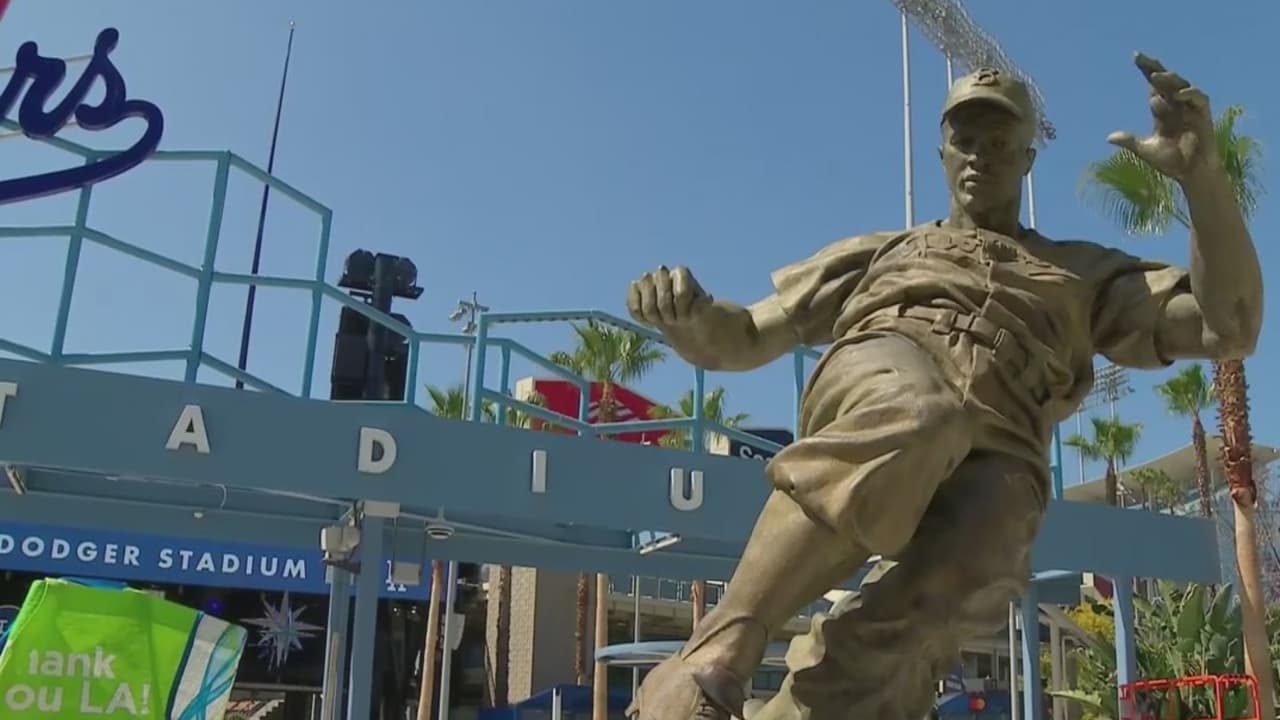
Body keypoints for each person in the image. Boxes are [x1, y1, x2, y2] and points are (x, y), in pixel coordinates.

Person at [623, 55, 1262, 720]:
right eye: (965, 140)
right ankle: (716, 654)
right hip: (891, 367)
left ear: (1027, 159)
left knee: (963, 576)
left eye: (999, 143)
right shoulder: (882, 252)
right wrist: (690, 320)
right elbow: (747, 335)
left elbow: (1230, 326)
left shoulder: (1082, 273)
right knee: (923, 415)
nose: (979, 156)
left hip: (1006, 444)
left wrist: (1203, 179)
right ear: (941, 153)